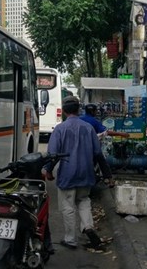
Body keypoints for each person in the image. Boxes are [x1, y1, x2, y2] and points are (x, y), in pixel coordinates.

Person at [42, 96, 108, 251]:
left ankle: (70, 239)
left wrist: (49, 170)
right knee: (83, 201)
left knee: (68, 206)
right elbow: (98, 153)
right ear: (79, 109)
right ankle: (88, 227)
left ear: (64, 111)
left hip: (68, 175)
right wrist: (108, 175)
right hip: (86, 173)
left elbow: (53, 154)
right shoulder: (88, 128)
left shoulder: (60, 129)